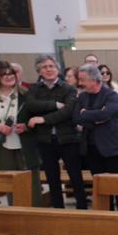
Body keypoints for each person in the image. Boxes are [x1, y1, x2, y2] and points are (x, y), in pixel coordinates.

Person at [0, 61, 43, 206]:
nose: (8, 77)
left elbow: (38, 115)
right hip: (2, 145)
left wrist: (26, 126)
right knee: (11, 182)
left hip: (26, 144)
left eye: (11, 73)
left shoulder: (25, 93)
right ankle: (16, 214)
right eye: (4, 74)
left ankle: (36, 214)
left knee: (32, 182)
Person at [25, 54, 85, 209]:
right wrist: (56, 105)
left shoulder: (69, 88)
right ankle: (58, 209)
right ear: (39, 71)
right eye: (44, 67)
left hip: (68, 138)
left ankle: (82, 208)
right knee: (52, 178)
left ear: (57, 68)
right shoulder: (34, 88)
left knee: (75, 176)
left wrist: (43, 119)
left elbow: (68, 111)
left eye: (51, 66)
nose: (48, 69)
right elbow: (31, 105)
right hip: (45, 139)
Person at [73, 64, 118, 211]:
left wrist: (86, 114)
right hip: (91, 148)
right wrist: (94, 118)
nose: (80, 83)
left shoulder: (111, 95)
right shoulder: (82, 96)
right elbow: (76, 117)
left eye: (82, 80)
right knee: (100, 184)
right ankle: (106, 212)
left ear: (93, 80)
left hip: (112, 146)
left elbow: (106, 114)